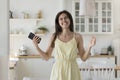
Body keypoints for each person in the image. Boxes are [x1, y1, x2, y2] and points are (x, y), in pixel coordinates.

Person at [32, 10, 96, 80]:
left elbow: (83, 58)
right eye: (61, 19)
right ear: (58, 22)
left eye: (66, 18)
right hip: (58, 71)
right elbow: (46, 57)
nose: (64, 20)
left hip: (72, 70)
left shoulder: (78, 37)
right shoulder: (54, 36)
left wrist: (90, 46)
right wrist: (36, 46)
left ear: (70, 20)